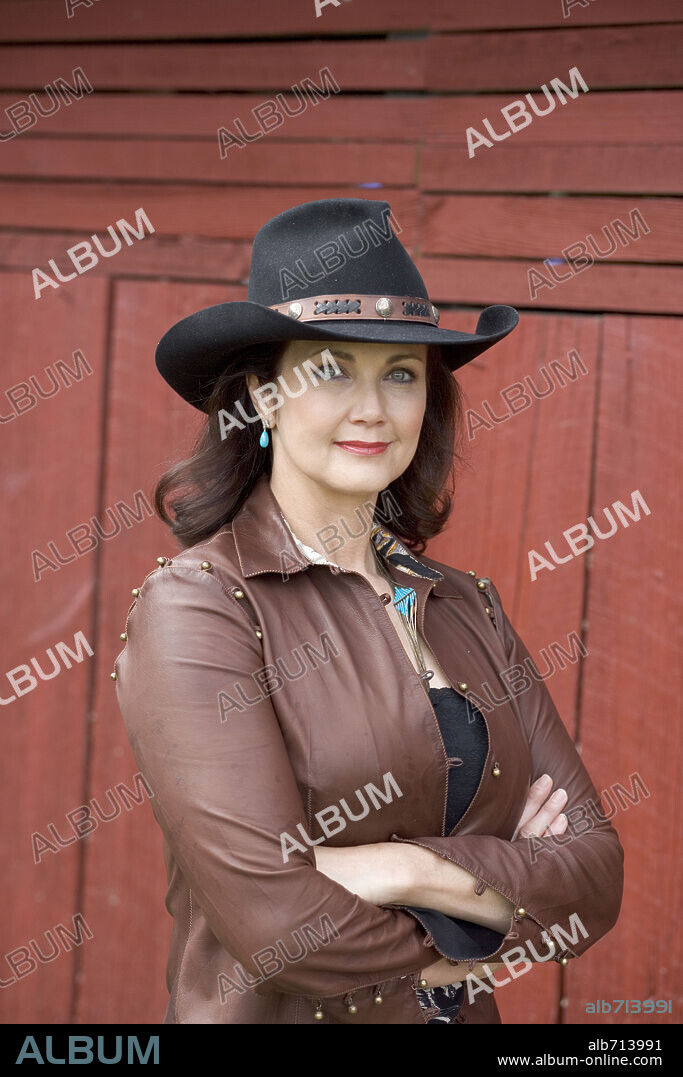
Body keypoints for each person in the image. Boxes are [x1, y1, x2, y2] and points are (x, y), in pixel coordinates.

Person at [113, 198, 624, 1024]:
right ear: (263, 396)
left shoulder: (467, 606)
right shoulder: (199, 606)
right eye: (329, 369)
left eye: (398, 373)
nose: (371, 408)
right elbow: (280, 924)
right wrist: (491, 905)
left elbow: (594, 879)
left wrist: (396, 867)